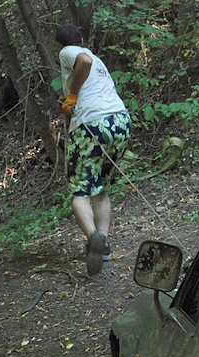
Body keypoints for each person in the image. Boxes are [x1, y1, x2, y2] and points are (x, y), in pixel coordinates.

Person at [55, 24, 131, 276]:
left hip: (92, 126)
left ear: (60, 46)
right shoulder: (97, 59)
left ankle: (93, 238)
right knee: (99, 187)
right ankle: (104, 246)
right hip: (119, 122)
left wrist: (72, 97)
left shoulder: (70, 52)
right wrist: (68, 100)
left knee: (80, 191)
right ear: (83, 38)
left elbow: (83, 61)